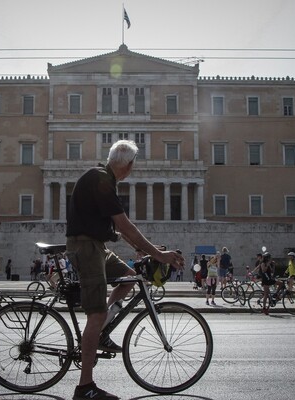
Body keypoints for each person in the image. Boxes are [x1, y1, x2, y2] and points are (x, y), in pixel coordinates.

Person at [66, 140, 184, 400]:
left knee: (130, 279)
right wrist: (159, 254)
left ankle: (102, 331)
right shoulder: (101, 181)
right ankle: (85, 388)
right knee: (94, 316)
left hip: (94, 245)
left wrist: (140, 250)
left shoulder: (102, 177)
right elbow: (125, 225)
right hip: (86, 249)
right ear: (129, 166)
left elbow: (115, 231)